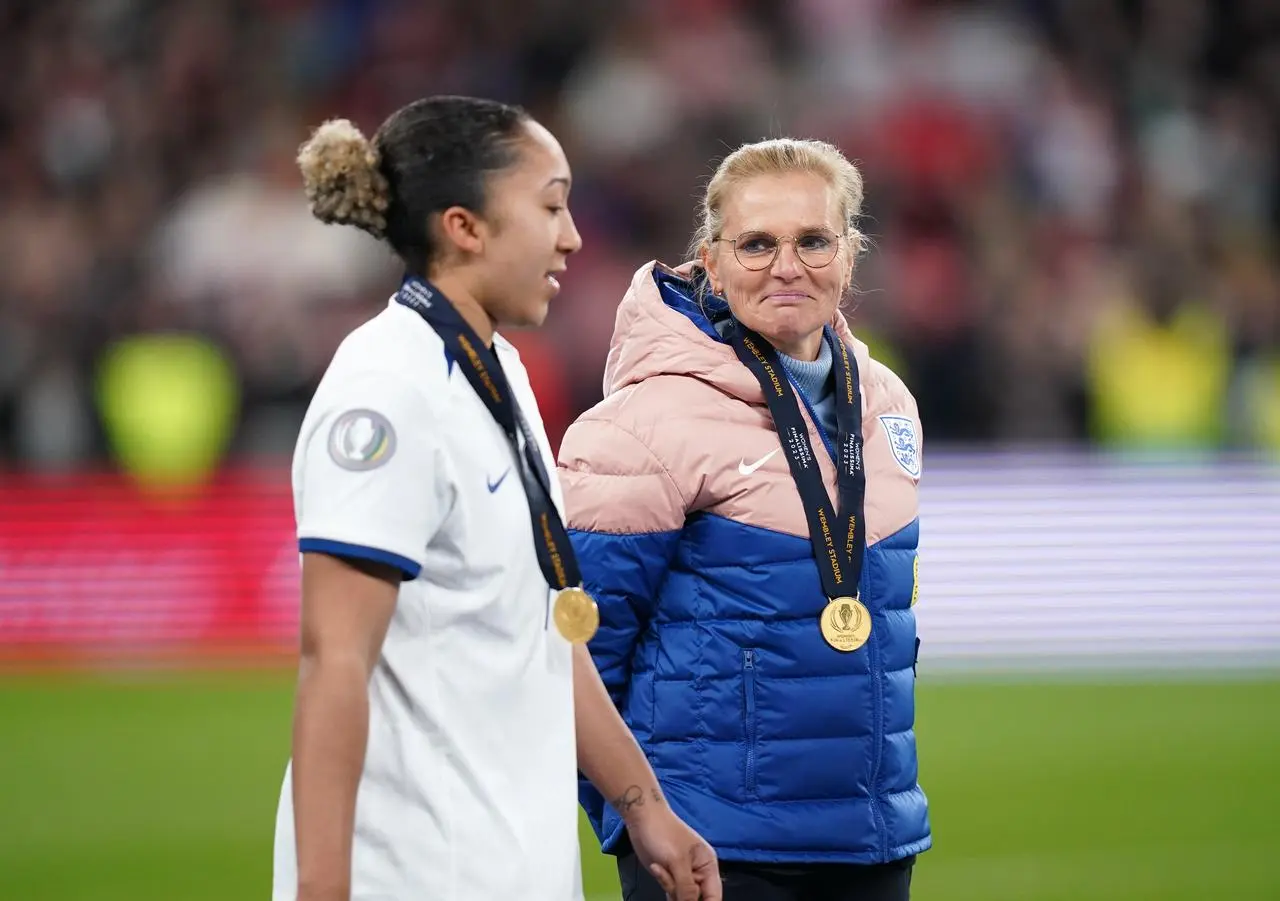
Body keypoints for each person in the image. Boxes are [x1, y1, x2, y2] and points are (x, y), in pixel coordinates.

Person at [273, 95, 721, 901]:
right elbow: (334, 662)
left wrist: (644, 805)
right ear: (465, 227)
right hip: (415, 872)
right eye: (550, 204)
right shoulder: (387, 391)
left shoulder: (498, 371)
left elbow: (542, 631)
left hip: (513, 863)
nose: (573, 234)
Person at [558, 137, 930, 901]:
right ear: (712, 261)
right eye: (756, 244)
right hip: (712, 847)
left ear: (850, 256)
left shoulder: (888, 404)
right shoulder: (639, 424)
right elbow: (573, 656)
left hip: (873, 837)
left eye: (813, 240)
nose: (786, 266)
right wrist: (639, 816)